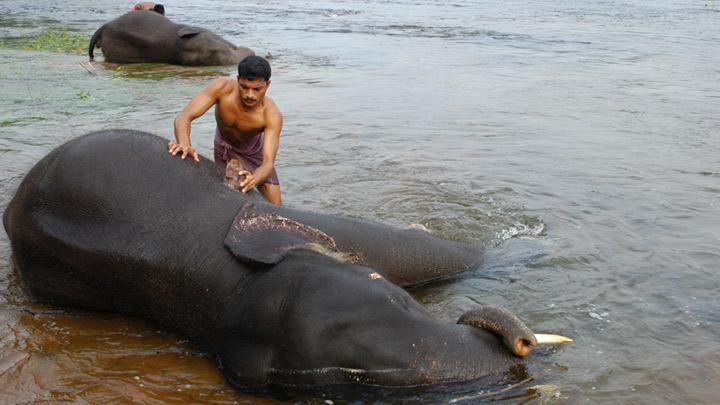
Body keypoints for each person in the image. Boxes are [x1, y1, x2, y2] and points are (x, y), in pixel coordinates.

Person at [168, 56, 283, 205]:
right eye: (244, 87)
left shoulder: (271, 115)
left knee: (276, 206)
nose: (249, 94)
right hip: (223, 144)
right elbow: (184, 117)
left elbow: (268, 163)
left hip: (253, 151)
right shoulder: (222, 88)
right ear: (237, 80)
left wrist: (253, 178)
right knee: (225, 198)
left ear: (268, 85)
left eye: (257, 89)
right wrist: (184, 143)